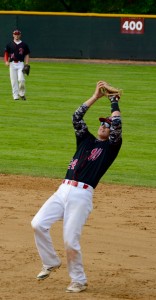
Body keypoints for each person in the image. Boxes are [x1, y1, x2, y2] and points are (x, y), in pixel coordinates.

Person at [31, 81, 122, 293]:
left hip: (81, 196)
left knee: (70, 241)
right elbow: (76, 117)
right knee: (37, 224)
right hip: (62, 190)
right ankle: (51, 261)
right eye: (102, 123)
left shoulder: (111, 147)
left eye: (107, 125)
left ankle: (78, 280)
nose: (104, 126)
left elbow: (117, 124)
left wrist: (113, 100)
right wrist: (95, 96)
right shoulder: (85, 140)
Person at [4, 29, 30, 100]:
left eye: (18, 34)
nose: (16, 35)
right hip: (12, 64)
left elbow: (27, 54)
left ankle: (21, 94)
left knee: (21, 79)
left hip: (20, 63)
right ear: (13, 35)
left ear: (20, 35)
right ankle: (15, 96)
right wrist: (6, 61)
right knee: (14, 81)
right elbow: (6, 53)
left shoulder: (24, 45)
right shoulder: (9, 44)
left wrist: (27, 64)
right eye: (15, 34)